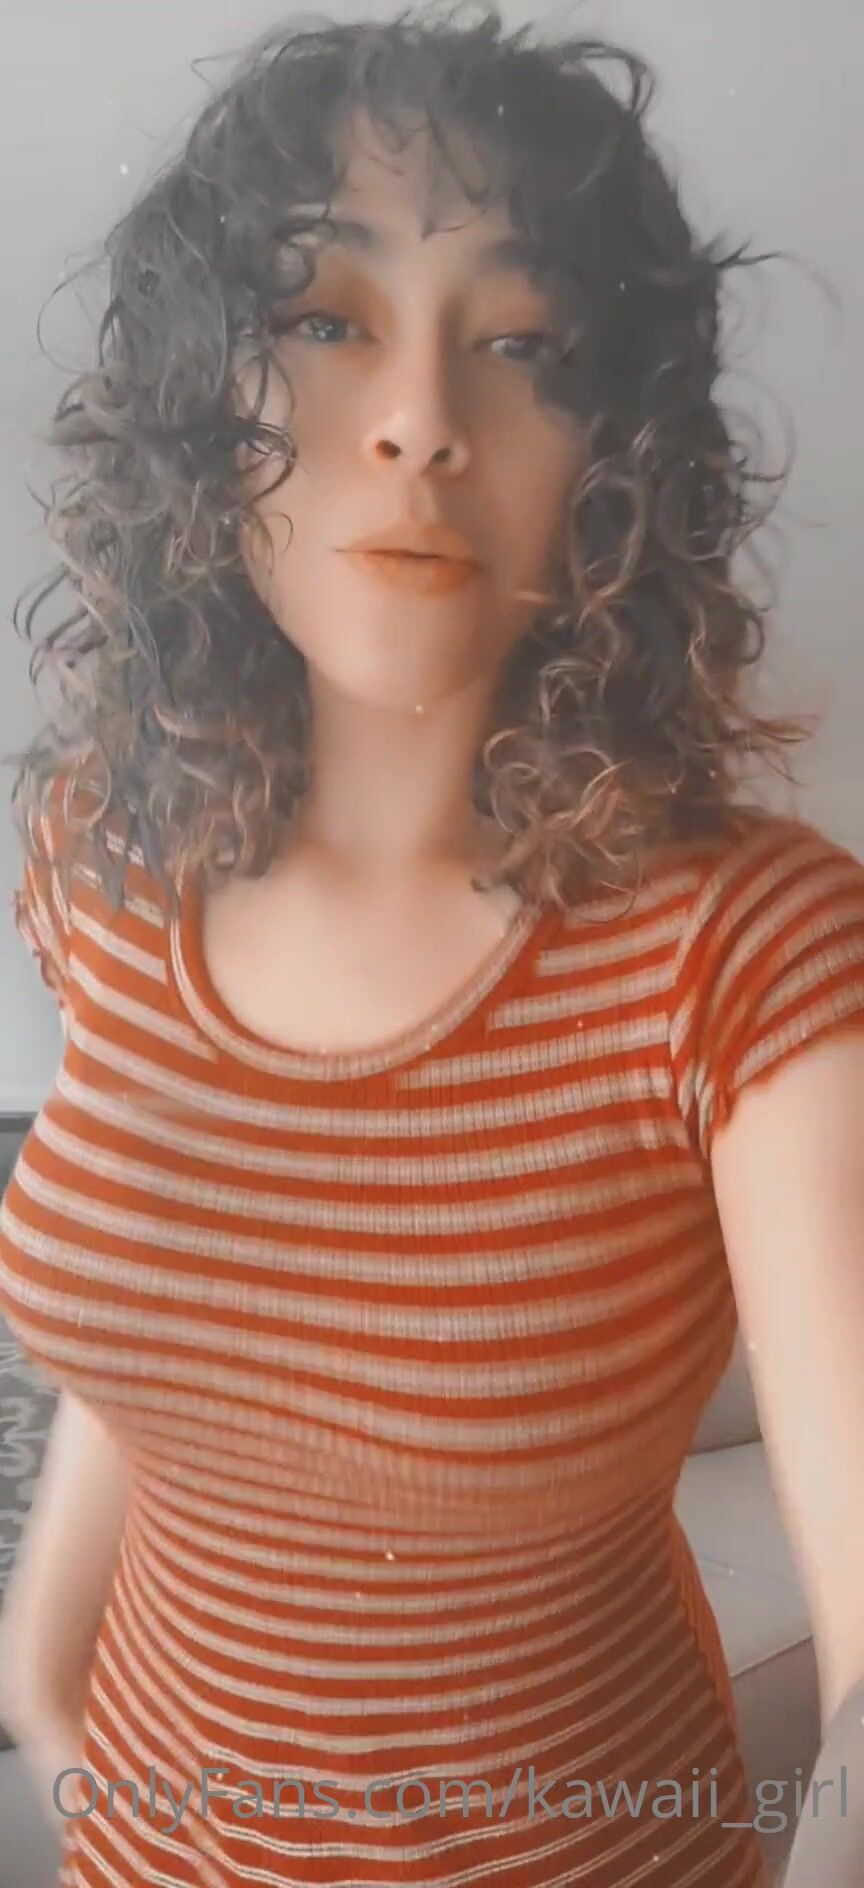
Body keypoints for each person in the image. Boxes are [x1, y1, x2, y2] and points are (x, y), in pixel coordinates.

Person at [1, 7, 864, 1885]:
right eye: (322, 317)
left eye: (524, 345)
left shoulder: (747, 955)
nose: (417, 420)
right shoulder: (104, 858)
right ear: (195, 403)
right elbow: (167, 1318)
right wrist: (44, 1690)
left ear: (618, 452)